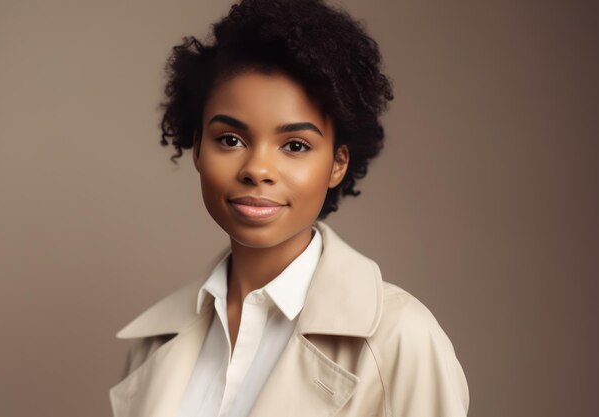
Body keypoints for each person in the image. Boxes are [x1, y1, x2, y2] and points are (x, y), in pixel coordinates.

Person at [109, 0, 469, 416]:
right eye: (230, 139)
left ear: (338, 163)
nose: (257, 169)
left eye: (295, 146)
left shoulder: (401, 338)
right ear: (197, 148)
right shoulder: (154, 343)